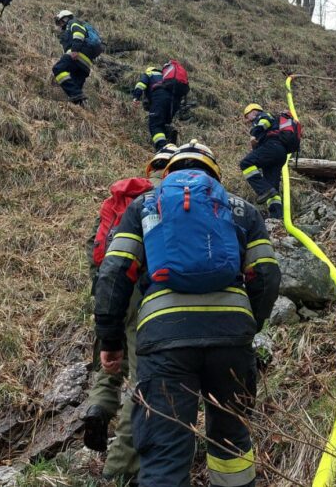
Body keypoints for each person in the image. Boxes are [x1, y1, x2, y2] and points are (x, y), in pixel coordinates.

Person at [95, 140, 281, 487]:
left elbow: (114, 271)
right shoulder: (240, 209)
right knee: (232, 444)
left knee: (165, 452)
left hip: (163, 339)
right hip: (231, 337)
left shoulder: (144, 205)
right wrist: (249, 323)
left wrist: (110, 338)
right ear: (214, 172)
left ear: (168, 173)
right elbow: (268, 275)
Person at [81, 147, 177, 484]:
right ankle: (120, 467)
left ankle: (98, 407)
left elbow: (97, 253)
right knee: (141, 382)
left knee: (110, 359)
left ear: (150, 167)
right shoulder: (169, 198)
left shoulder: (121, 198)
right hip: (146, 294)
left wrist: (104, 305)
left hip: (111, 289)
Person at [239, 104, 301, 220]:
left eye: (246, 116)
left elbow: (264, 122)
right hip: (280, 154)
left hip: (273, 147)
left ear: (253, 112)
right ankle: (276, 217)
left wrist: (254, 133)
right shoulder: (275, 124)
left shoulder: (263, 115)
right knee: (273, 188)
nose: (246, 121)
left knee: (246, 164)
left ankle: (264, 190)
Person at [52, 10, 102, 105]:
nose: (60, 25)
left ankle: (77, 96)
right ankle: (80, 107)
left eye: (60, 21)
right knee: (76, 94)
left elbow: (79, 34)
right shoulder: (72, 27)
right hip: (85, 64)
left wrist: (75, 50)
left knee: (57, 69)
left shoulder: (72, 23)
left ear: (65, 18)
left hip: (76, 56)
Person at [132, 63, 186, 150]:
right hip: (175, 101)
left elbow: (141, 84)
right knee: (163, 123)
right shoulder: (165, 77)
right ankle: (170, 138)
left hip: (160, 98)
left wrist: (136, 97)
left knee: (155, 125)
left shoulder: (149, 73)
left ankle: (162, 148)